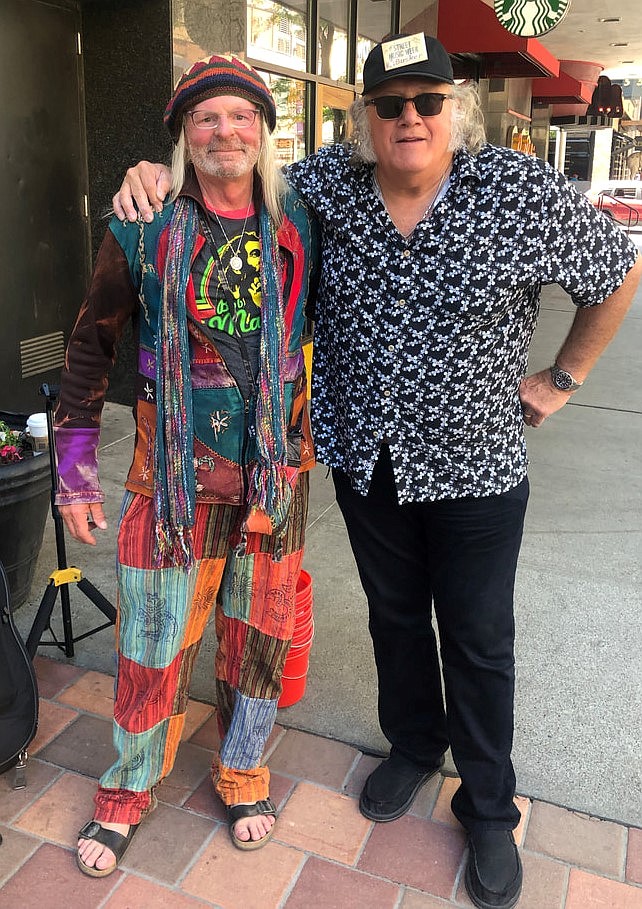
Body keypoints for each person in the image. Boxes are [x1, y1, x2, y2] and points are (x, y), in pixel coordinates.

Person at [112, 34, 641, 909]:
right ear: (365, 117)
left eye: (426, 102)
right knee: (395, 618)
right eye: (389, 104)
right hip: (367, 459)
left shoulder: (517, 192)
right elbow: (229, 166)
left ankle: (487, 805)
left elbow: (614, 274)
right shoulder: (325, 188)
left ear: (455, 111)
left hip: (475, 467)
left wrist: (560, 379)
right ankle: (412, 744)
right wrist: (153, 168)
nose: (409, 119)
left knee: (476, 639)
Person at [55, 54, 318, 875]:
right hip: (168, 484)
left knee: (259, 638)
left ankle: (243, 770)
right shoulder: (141, 224)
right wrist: (72, 467)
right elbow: (90, 346)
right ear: (181, 136)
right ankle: (128, 790)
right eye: (205, 118)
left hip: (275, 479)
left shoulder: (303, 216)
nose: (224, 131)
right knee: (151, 642)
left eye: (241, 116)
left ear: (265, 132)